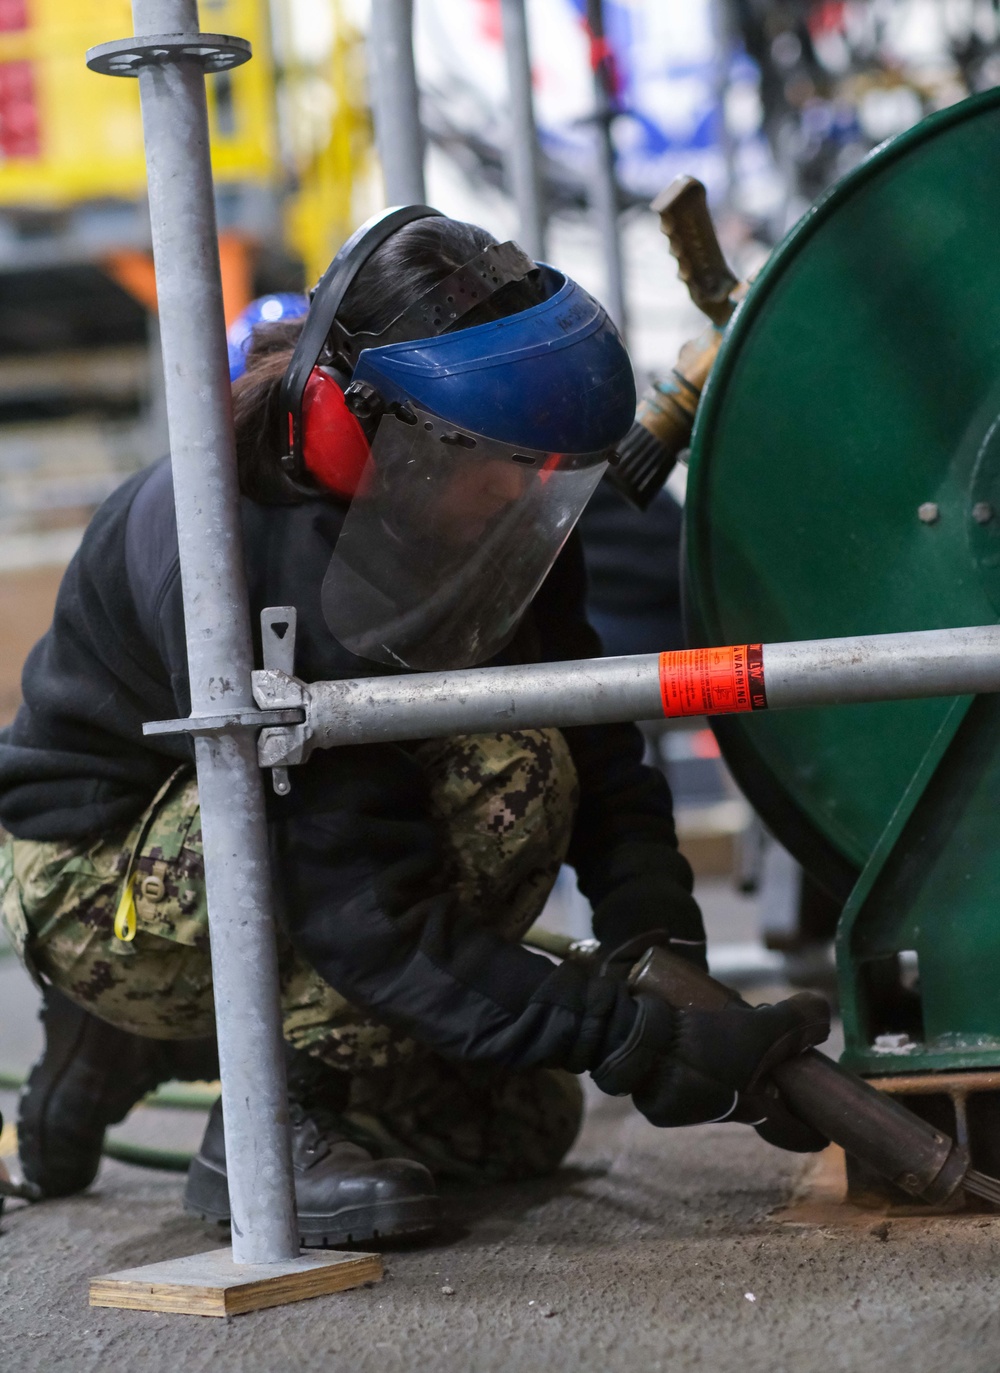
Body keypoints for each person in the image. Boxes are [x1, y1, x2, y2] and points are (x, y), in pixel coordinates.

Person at [0, 207, 828, 1249]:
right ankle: (262, 1125)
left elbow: (597, 731)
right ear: (372, 427)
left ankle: (123, 1051)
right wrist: (629, 1036)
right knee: (505, 775)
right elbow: (357, 905)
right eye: (501, 457)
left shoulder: (482, 499)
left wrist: (662, 950)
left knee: (523, 1119)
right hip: (101, 879)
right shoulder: (243, 544)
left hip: (292, 849)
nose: (527, 485)